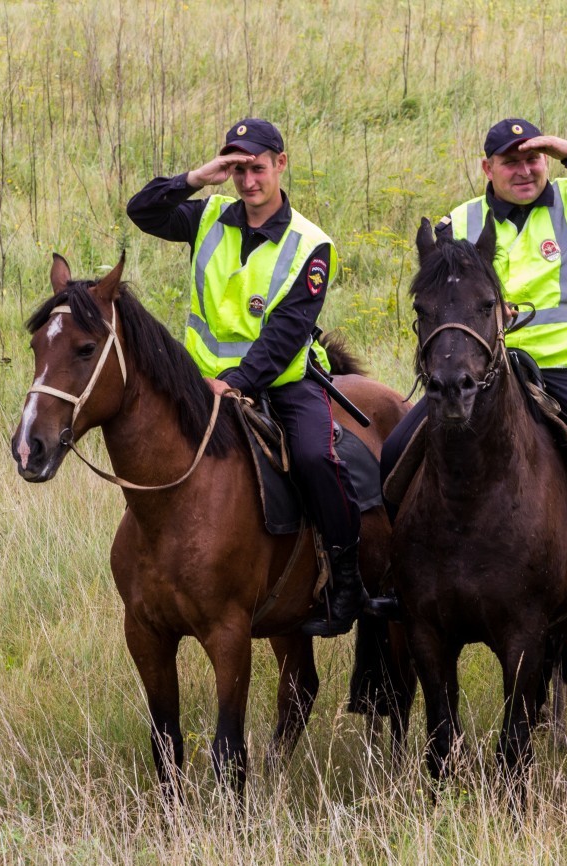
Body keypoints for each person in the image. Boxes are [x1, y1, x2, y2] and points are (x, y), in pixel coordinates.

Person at [378, 118, 567, 628]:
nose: (525, 170)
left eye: (534, 158)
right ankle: (402, 577)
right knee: (397, 448)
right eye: (511, 161)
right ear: (488, 168)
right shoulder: (458, 225)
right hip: (485, 371)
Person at [126, 117, 370, 638]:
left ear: (280, 165)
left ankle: (346, 581)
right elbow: (141, 210)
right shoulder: (208, 215)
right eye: (238, 170)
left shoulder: (311, 245)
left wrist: (238, 381)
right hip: (197, 385)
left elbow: (286, 334)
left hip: (280, 384)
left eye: (256, 168)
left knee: (314, 457)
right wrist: (195, 178)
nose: (248, 181)